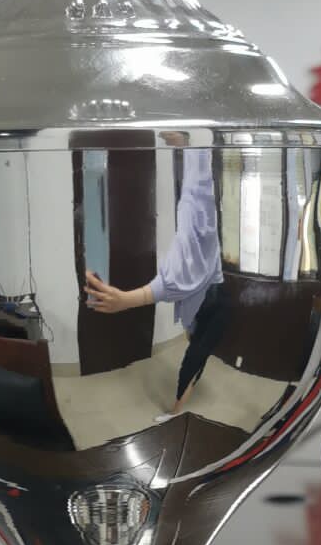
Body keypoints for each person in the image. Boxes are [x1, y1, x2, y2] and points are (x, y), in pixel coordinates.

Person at [84, 144, 226, 415]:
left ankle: (176, 410)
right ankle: (182, 399)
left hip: (214, 303)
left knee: (194, 357)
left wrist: (127, 300)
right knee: (197, 352)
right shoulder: (193, 204)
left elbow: (186, 271)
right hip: (204, 301)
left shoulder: (199, 211)